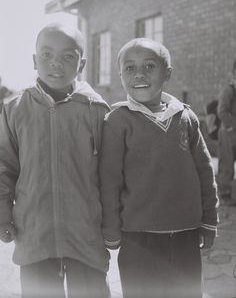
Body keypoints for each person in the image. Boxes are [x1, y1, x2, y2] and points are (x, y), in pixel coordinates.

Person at [99, 38, 218, 298]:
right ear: (120, 75)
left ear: (168, 73)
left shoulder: (186, 117)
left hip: (186, 233)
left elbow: (205, 172)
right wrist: (110, 229)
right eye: (129, 68)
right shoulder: (117, 121)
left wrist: (209, 220)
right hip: (138, 238)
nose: (139, 74)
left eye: (149, 66)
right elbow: (109, 181)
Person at [0, 23, 110, 298]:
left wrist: (113, 222)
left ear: (81, 63)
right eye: (47, 55)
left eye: (68, 56)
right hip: (35, 235)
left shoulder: (96, 109)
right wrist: (3, 213)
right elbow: (5, 166)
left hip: (86, 235)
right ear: (35, 61)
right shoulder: (14, 109)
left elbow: (109, 174)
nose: (56, 64)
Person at [217, 60, 236, 206]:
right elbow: (222, 111)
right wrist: (232, 126)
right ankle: (224, 194)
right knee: (227, 165)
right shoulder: (229, 89)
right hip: (228, 132)